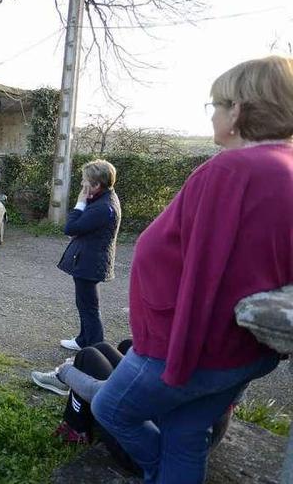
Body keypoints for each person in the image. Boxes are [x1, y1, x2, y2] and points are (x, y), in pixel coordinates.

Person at [91, 56, 293, 483]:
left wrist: (177, 365)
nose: (215, 114)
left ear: (238, 111)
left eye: (217, 105)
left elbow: (205, 274)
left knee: (108, 408)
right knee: (187, 431)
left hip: (186, 349)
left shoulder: (232, 171)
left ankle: (156, 470)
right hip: (243, 352)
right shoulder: (284, 168)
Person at [30, 340, 233, 476]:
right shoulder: (216, 362)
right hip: (176, 430)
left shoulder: (177, 371)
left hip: (144, 452)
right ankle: (78, 419)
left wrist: (65, 371)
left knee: (88, 358)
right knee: (112, 347)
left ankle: (75, 430)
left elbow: (101, 394)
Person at [56, 160, 121, 351]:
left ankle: (95, 348)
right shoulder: (104, 199)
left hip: (90, 263)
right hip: (89, 260)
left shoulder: (103, 207)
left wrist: (80, 203)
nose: (82, 185)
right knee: (84, 304)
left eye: (85, 181)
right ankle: (83, 340)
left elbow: (70, 228)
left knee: (89, 308)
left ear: (96, 185)